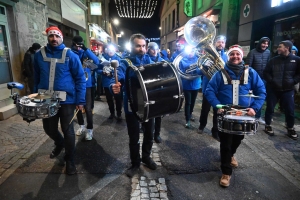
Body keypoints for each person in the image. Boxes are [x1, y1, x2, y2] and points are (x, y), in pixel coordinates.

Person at [205, 45, 266, 187]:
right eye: (232, 54)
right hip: (225, 112)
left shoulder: (250, 72)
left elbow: (262, 91)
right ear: (228, 56)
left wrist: (255, 108)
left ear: (241, 56)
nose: (235, 57)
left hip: (244, 114)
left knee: (238, 138)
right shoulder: (219, 73)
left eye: (237, 54)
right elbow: (209, 91)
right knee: (225, 142)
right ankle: (226, 172)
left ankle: (231, 154)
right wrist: (218, 106)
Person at [34, 26, 86, 175]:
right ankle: (60, 142)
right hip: (46, 99)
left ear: (61, 38)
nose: (54, 39)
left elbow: (80, 79)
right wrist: (34, 95)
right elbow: (36, 77)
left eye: (57, 36)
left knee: (68, 131)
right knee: (49, 129)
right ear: (48, 38)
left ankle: (69, 160)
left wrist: (80, 100)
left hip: (67, 101)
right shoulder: (39, 55)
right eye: (51, 36)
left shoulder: (71, 55)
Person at [111, 33, 157, 177]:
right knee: (134, 137)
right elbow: (120, 77)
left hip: (149, 104)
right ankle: (135, 163)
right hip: (132, 105)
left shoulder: (151, 61)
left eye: (143, 46)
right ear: (132, 46)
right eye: (138, 46)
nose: (141, 49)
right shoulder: (124, 63)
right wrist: (117, 85)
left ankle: (146, 157)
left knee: (149, 134)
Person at [263, 40, 300, 140]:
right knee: (270, 108)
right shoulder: (273, 60)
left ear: (287, 48)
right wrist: (272, 81)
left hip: (288, 89)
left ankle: (290, 127)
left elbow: (299, 74)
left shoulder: (296, 60)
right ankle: (268, 125)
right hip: (273, 89)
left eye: (280, 46)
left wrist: (293, 81)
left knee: (290, 110)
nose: (278, 48)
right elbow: (266, 73)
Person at [198, 35, 228, 141]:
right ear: (215, 43)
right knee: (205, 109)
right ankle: (202, 125)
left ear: (225, 44)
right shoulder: (206, 55)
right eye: (219, 42)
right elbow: (198, 71)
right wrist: (204, 65)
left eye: (223, 42)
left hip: (219, 90)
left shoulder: (227, 57)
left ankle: (215, 131)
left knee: (217, 111)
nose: (220, 44)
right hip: (208, 88)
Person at [71, 35, 99, 140]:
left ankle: (90, 129)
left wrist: (85, 49)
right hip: (75, 85)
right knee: (77, 107)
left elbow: (96, 62)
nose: (78, 46)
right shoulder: (71, 54)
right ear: (73, 44)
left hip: (87, 85)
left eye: (80, 44)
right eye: (76, 44)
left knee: (88, 108)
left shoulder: (86, 54)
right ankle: (81, 126)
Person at [246, 37, 271, 124]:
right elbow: (247, 66)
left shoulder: (268, 53)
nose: (265, 45)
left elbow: (269, 65)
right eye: (264, 43)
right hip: (253, 79)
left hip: (264, 79)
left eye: (267, 44)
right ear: (260, 43)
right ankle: (249, 113)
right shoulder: (252, 52)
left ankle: (258, 116)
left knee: (260, 97)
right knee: (251, 97)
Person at [146, 42, 165, 143]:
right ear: (148, 50)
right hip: (148, 90)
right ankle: (147, 131)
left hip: (158, 90)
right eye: (152, 49)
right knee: (147, 111)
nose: (154, 51)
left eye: (156, 49)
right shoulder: (145, 60)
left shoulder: (162, 61)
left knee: (158, 113)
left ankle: (157, 134)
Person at [179, 46, 201, 128]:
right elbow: (180, 71)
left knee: (193, 101)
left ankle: (190, 114)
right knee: (188, 102)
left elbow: (201, 70)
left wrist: (196, 69)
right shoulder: (182, 60)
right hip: (186, 84)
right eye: (189, 51)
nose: (190, 53)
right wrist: (188, 67)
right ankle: (187, 119)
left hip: (196, 84)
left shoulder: (199, 59)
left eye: (192, 51)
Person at [100, 44, 123, 120]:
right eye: (109, 49)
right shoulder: (102, 58)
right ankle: (112, 113)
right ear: (107, 50)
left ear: (115, 50)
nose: (110, 51)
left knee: (118, 99)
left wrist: (112, 73)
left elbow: (121, 70)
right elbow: (97, 68)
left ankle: (119, 114)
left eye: (112, 49)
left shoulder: (119, 59)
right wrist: (103, 72)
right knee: (109, 99)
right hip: (106, 82)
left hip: (116, 82)